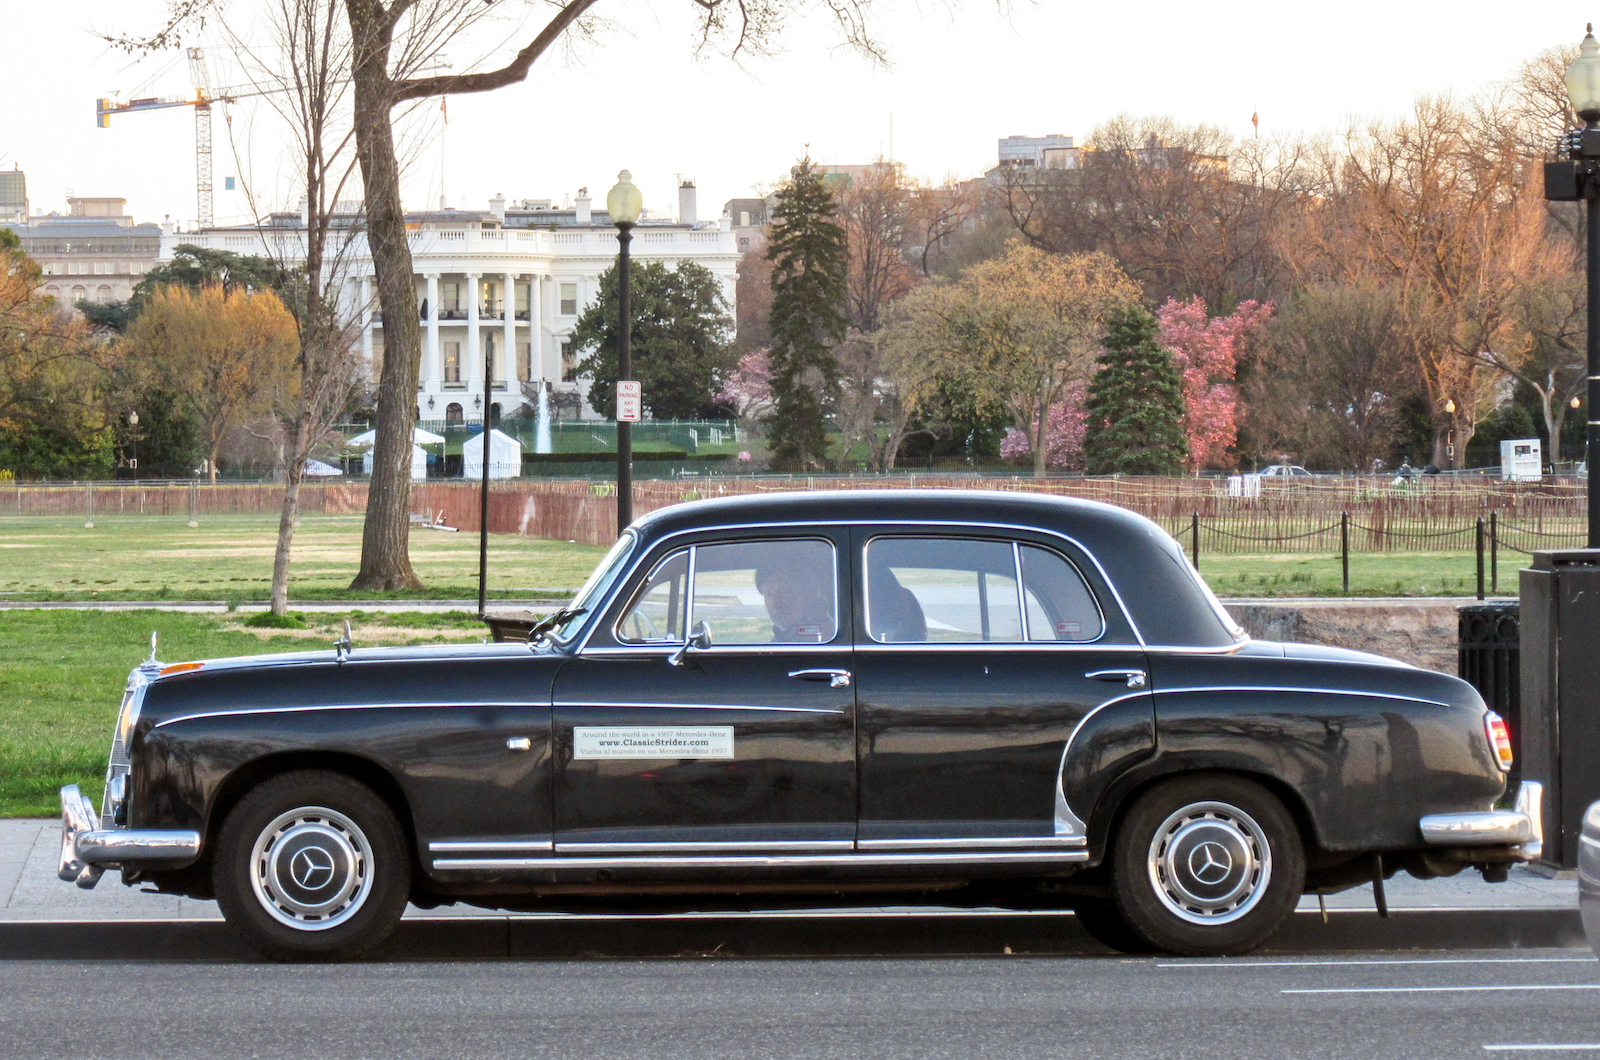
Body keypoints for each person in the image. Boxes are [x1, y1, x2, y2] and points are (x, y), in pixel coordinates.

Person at [754, 553, 834, 643]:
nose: (775, 603)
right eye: (769, 594)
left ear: (809, 592)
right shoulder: (789, 634)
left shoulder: (818, 634)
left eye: (785, 592)